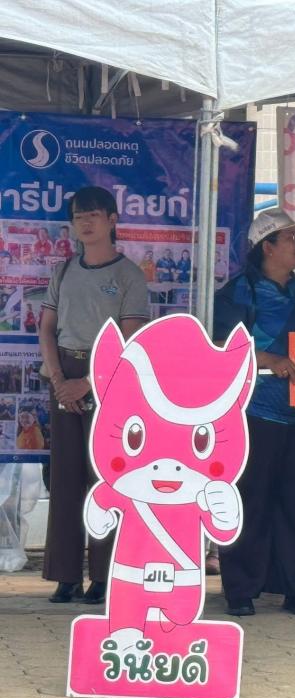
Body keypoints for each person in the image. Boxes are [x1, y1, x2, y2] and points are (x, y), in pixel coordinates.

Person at [214, 208, 295, 617]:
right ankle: (241, 589)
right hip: (255, 412)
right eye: (291, 238)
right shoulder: (238, 292)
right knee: (252, 500)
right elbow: (221, 346)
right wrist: (268, 359)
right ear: (267, 247)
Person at [39, 185, 150, 604]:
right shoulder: (64, 271)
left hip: (110, 379)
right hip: (62, 376)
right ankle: (65, 575)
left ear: (112, 220)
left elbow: (130, 342)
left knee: (106, 478)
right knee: (65, 478)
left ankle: (104, 575)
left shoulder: (129, 276)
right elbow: (46, 329)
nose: (85, 223)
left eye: (93, 215)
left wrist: (87, 382)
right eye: (78, 217)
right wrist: (58, 380)